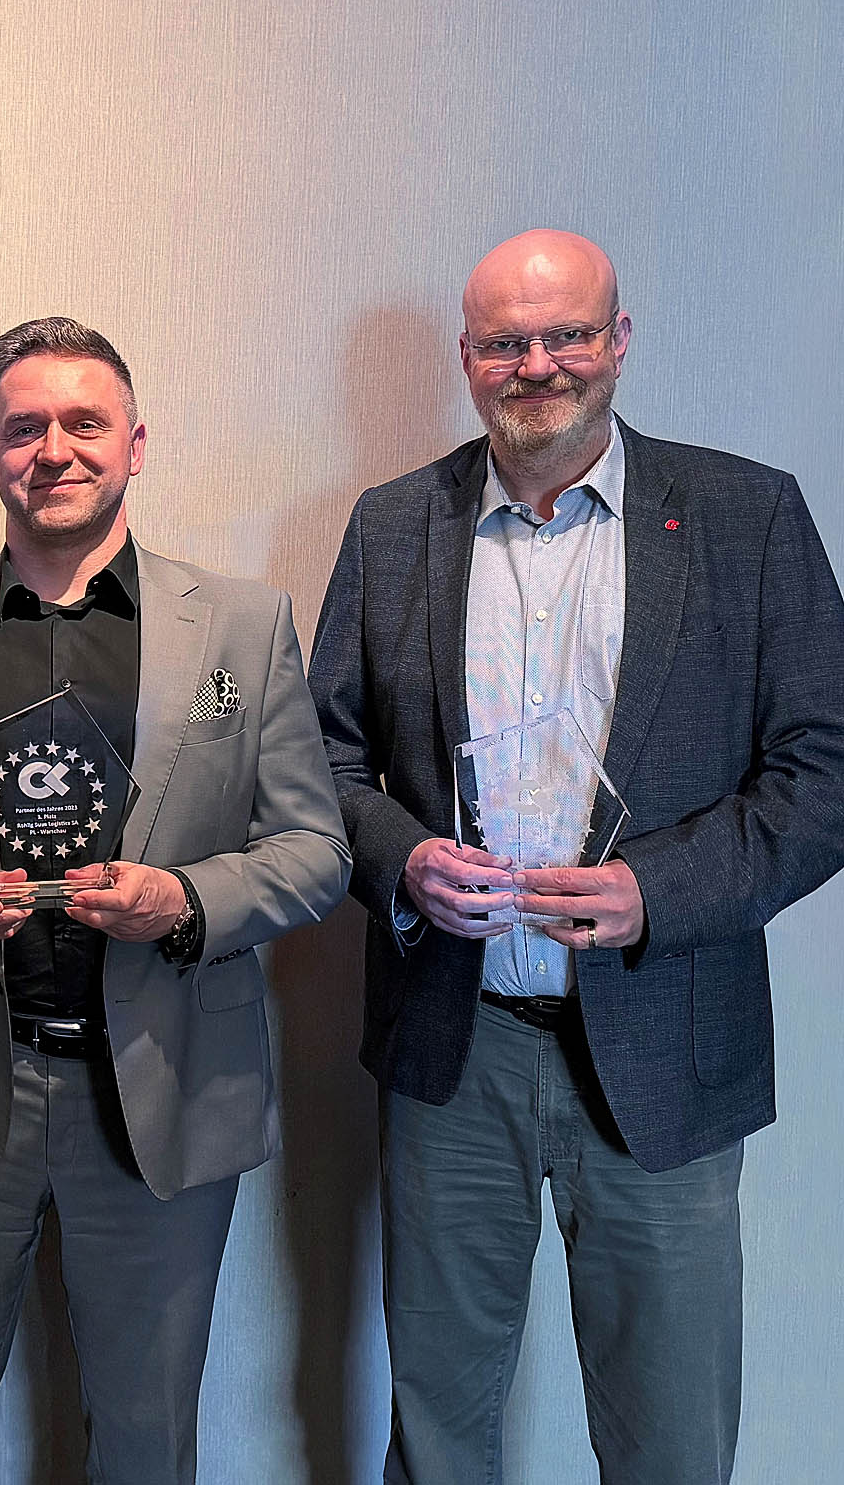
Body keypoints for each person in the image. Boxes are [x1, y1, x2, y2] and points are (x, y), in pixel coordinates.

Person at [309, 228, 844, 1484]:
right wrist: (399, 861)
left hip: (665, 1044)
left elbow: (823, 768)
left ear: (618, 340)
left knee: (668, 1439)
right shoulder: (392, 525)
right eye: (504, 342)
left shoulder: (745, 514)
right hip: (453, 1047)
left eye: (565, 334)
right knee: (437, 1430)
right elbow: (313, 761)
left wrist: (657, 890)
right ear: (466, 357)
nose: (536, 364)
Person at [0, 316, 349, 1484]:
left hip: (164, 1085)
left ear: (134, 443)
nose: (51, 448)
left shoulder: (241, 624)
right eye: (23, 427)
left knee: (147, 1442)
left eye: (82, 422)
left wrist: (185, 899)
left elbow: (314, 846)